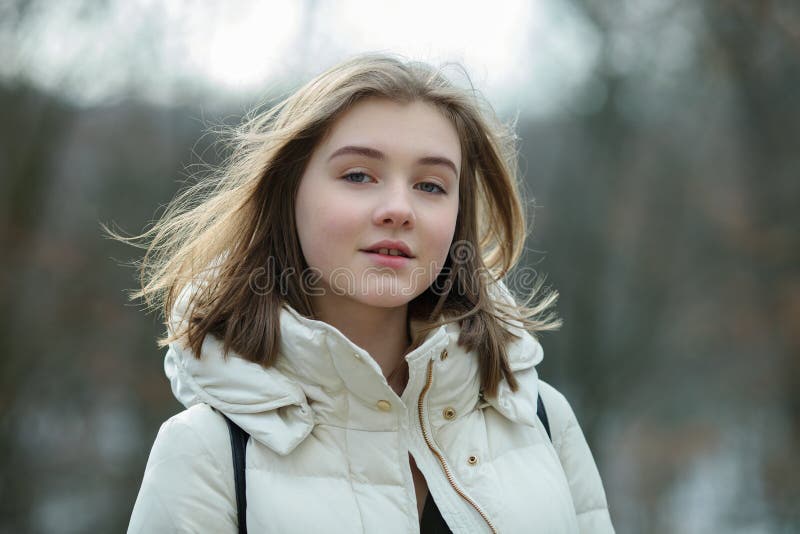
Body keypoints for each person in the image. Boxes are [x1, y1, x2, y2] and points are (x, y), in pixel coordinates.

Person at [124, 53, 615, 533]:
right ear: (289, 193)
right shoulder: (207, 451)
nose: (399, 209)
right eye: (358, 175)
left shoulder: (541, 418)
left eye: (430, 185)